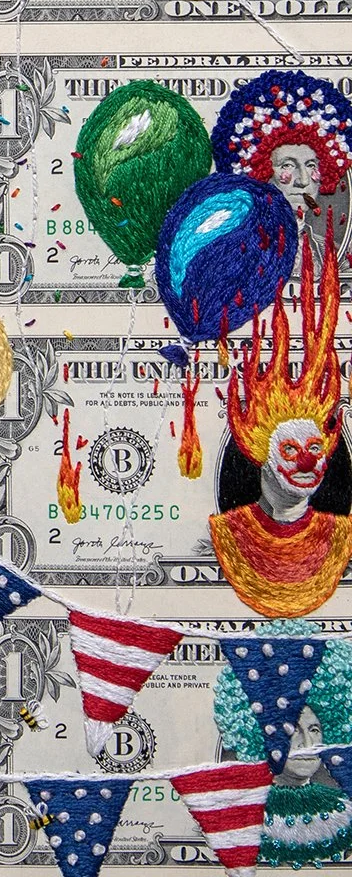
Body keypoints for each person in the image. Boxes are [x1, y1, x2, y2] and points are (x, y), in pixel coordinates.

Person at [208, 233, 352, 618]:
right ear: (263, 455)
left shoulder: (341, 535)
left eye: (315, 449)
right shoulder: (229, 533)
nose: (307, 462)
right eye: (290, 449)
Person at [214, 627, 352, 866]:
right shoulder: (241, 812)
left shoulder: (344, 810)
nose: (307, 744)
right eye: (293, 729)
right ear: (262, 734)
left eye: (314, 730)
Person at [211, 69, 352, 240]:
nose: (303, 181)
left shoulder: (326, 249)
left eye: (311, 166)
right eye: (287, 165)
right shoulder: (237, 245)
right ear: (260, 174)